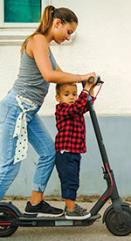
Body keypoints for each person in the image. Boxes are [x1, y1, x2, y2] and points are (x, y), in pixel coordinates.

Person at [0, 5, 96, 217]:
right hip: (16, 108)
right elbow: (49, 75)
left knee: (48, 152)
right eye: (68, 32)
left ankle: (35, 203)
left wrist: (86, 83)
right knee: (9, 166)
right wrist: (81, 77)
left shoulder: (45, 47)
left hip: (28, 111)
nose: (69, 38)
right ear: (57, 23)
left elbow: (60, 74)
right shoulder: (37, 41)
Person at [55, 80, 96, 219]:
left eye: (74, 94)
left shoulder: (75, 109)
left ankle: (70, 206)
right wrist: (86, 89)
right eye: (67, 94)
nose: (72, 97)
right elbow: (78, 107)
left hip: (74, 152)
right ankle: (71, 210)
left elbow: (86, 105)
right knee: (69, 180)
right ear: (58, 98)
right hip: (65, 152)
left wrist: (91, 89)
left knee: (73, 180)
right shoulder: (62, 109)